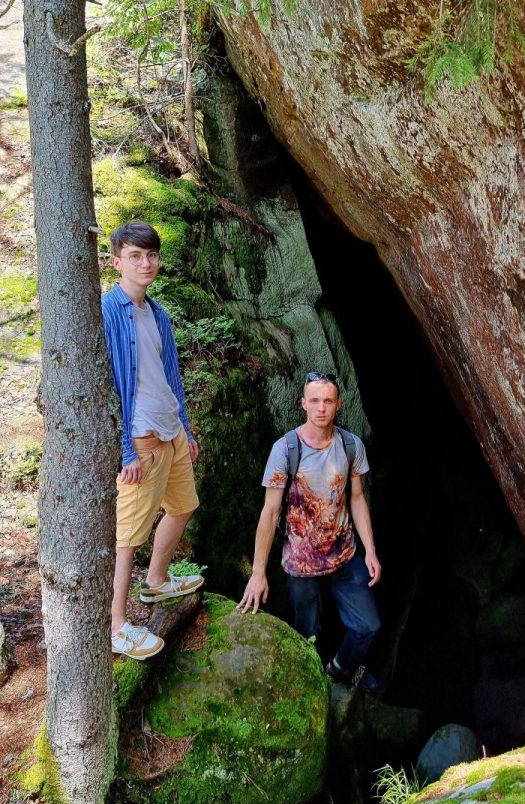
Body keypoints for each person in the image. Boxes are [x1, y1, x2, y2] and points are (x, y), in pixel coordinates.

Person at [238, 372, 382, 692]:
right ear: (303, 403)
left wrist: (370, 550)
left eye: (328, 401)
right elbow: (270, 512)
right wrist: (258, 572)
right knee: (308, 633)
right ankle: (312, 686)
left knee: (368, 626)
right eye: (314, 401)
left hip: (344, 555)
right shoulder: (286, 449)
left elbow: (356, 498)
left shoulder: (349, 445)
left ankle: (338, 671)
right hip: (301, 563)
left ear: (338, 405)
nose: (321, 408)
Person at [102, 221, 204, 660]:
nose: (146, 264)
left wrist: (186, 426)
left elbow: (171, 375)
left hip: (171, 428)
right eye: (136, 256)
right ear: (117, 261)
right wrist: (125, 448)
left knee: (184, 507)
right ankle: (117, 626)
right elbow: (109, 384)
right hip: (142, 437)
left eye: (151, 256)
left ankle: (157, 581)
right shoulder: (109, 310)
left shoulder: (156, 312)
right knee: (128, 536)